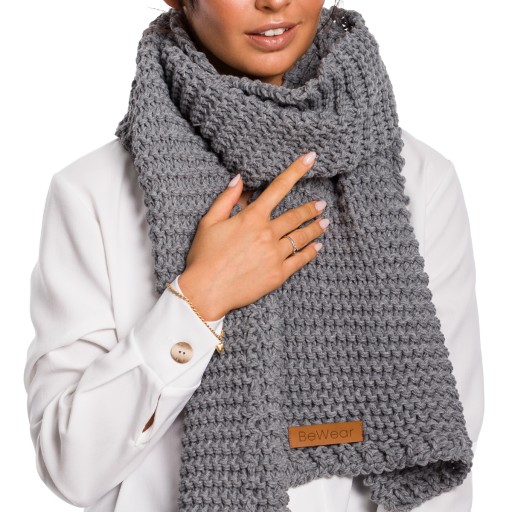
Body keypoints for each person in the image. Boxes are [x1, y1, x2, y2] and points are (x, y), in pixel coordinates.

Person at [24, 1, 484, 511]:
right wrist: (197, 300)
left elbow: (442, 470)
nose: (274, 1)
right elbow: (72, 469)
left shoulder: (418, 181)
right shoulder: (92, 192)